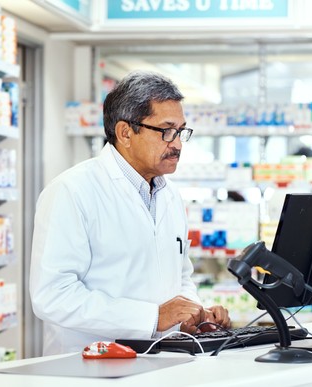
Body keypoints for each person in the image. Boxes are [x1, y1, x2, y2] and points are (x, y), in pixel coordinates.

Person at [30, 71, 231, 355]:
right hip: (91, 364)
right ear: (125, 133)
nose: (177, 144)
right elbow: (52, 296)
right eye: (166, 131)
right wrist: (151, 318)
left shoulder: (170, 195)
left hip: (162, 359)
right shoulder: (71, 191)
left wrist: (194, 314)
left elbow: (181, 277)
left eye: (181, 131)